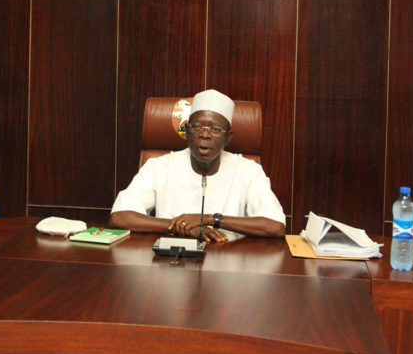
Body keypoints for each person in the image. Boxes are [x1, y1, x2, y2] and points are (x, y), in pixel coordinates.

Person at [110, 89, 286, 242]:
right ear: (186, 131)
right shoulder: (159, 166)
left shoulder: (248, 170)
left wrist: (210, 219)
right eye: (196, 127)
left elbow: (275, 226)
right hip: (170, 264)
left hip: (230, 263)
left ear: (228, 137)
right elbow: (120, 217)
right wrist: (181, 227)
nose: (204, 135)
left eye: (216, 130)